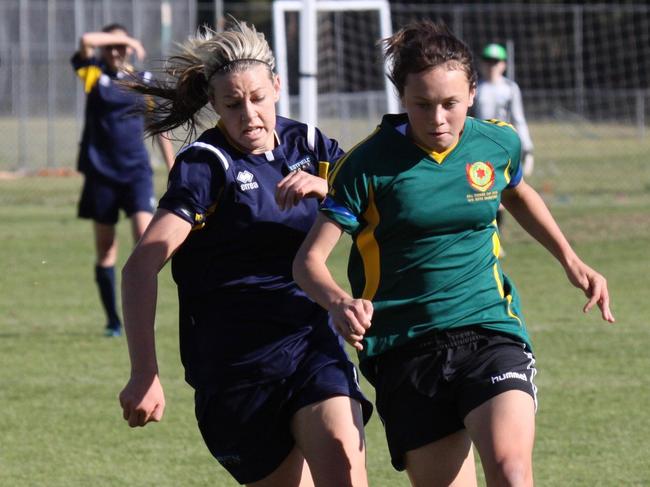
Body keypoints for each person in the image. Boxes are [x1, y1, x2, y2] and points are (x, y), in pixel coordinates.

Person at [293, 20, 614, 487]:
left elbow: (517, 192)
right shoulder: (366, 166)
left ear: (472, 93)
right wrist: (340, 302)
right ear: (402, 99)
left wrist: (570, 257)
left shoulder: (496, 142)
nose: (438, 118)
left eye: (450, 104)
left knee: (510, 469)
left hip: (489, 331)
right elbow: (308, 262)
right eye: (422, 105)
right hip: (405, 348)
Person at [117, 20, 372, 487]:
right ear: (214, 103)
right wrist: (144, 372)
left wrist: (329, 187)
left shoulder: (309, 145)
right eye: (233, 105)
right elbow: (140, 268)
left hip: (309, 343)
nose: (249, 115)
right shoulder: (206, 165)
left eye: (258, 99)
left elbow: (380, 203)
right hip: (235, 368)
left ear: (277, 86)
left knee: (343, 463)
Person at [72, 23, 175, 337]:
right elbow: (86, 39)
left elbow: (159, 128)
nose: (115, 51)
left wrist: (173, 167)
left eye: (121, 46)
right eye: (111, 45)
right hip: (100, 175)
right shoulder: (94, 77)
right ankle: (113, 321)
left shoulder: (142, 82)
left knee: (144, 244)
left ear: (129, 51)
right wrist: (125, 37)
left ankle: (140, 316)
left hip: (136, 174)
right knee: (106, 249)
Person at [475, 43, 534, 177]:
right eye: (487, 61)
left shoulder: (510, 88)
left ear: (503, 65)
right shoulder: (475, 88)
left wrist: (527, 149)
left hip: (503, 143)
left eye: (495, 62)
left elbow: (518, 119)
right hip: (479, 143)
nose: (491, 66)